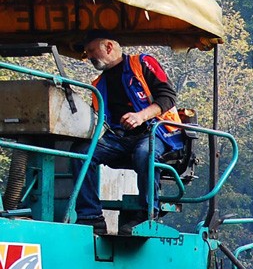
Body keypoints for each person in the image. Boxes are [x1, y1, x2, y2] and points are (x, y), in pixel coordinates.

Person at [71, 31, 185, 235]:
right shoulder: (98, 84)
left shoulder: (142, 63)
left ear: (108, 47)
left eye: (91, 50)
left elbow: (167, 97)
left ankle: (147, 213)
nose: (88, 56)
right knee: (81, 152)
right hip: (119, 138)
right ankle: (91, 216)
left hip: (157, 131)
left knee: (145, 153)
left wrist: (141, 116)